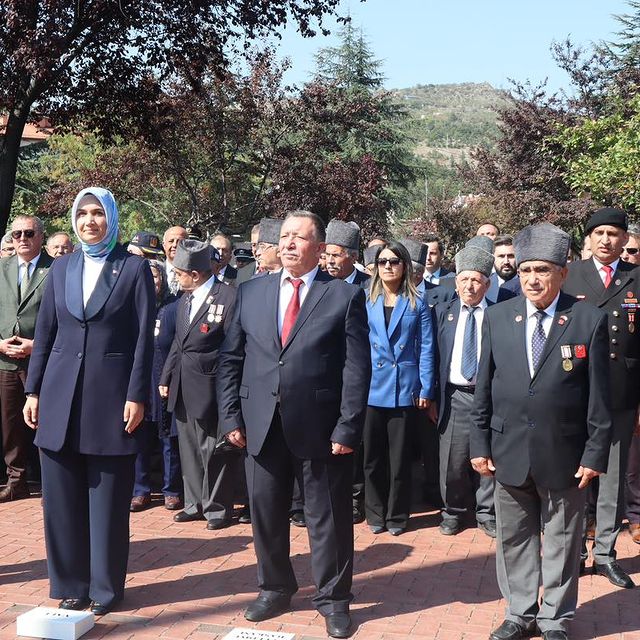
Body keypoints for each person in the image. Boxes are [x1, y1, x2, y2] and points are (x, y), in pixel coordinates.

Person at [216, 210, 370, 639]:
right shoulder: (249, 293)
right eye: (283, 237)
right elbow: (231, 360)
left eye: (299, 238)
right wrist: (230, 416)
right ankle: (274, 588)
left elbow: (357, 369)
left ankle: (334, 599)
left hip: (321, 428)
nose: (288, 244)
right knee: (265, 514)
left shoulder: (342, 296)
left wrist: (347, 427)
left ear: (319, 249)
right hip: (259, 424)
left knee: (329, 519)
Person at [470, 222, 611, 640]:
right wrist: (479, 443)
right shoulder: (497, 317)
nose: (532, 278)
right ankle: (519, 612)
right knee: (513, 538)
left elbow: (598, 399)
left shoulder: (588, 318)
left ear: (562, 272)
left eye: (543, 270)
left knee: (564, 542)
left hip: (565, 453)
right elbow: (484, 388)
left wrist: (594, 453)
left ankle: (555, 618)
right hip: (508, 448)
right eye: (527, 269)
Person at [23, 187, 155, 615]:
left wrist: (137, 394)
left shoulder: (133, 268)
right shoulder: (61, 268)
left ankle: (104, 589)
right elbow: (45, 335)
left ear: (112, 218)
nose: (90, 221)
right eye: (83, 214)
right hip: (59, 397)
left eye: (98, 213)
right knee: (60, 500)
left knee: (108, 502)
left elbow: (142, 341)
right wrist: (34, 390)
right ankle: (70, 584)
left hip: (111, 399)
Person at [562, 206, 640, 589]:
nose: (607, 240)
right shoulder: (569, 276)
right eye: (600, 233)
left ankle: (606, 554)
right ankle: (575, 549)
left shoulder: (636, 279)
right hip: (577, 393)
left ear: (625, 240)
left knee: (611, 480)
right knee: (575, 476)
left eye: (614, 234)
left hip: (622, 396)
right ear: (588, 239)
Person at [159, 241, 237, 529]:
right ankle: (194, 503)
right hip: (182, 384)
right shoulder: (184, 299)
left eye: (180, 273)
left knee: (212, 449)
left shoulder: (227, 297)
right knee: (189, 448)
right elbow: (178, 344)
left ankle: (217, 508)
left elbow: (233, 346)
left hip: (210, 384)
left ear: (195, 273)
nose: (177, 278)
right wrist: (166, 376)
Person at [364, 241, 435, 536]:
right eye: (382, 262)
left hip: (404, 388)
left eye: (394, 261)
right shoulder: (364, 299)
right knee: (372, 458)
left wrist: (426, 388)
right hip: (371, 387)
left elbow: (427, 348)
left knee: (399, 460)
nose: (388, 266)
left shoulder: (417, 301)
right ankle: (375, 513)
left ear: (405, 265)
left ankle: (397, 516)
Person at [432, 246, 496, 537]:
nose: (469, 286)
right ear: (455, 282)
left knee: (488, 458)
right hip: (455, 394)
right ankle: (453, 512)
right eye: (464, 279)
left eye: (476, 280)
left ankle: (487, 513)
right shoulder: (443, 313)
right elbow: (432, 357)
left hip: (490, 397)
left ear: (487, 284)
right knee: (453, 460)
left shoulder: (499, 314)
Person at [0, 215, 54, 501]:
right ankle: (16, 482)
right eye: (16, 234)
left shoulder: (56, 269)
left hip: (41, 360)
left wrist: (38, 346)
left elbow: (63, 319)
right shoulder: (1, 267)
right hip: (6, 360)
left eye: (28, 233)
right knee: (10, 425)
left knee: (45, 420)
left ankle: (52, 482)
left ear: (40, 237)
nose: (21, 238)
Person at [130, 259, 182, 512]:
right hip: (140, 382)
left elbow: (179, 346)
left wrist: (170, 377)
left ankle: (171, 490)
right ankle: (140, 490)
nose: (152, 283)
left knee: (168, 440)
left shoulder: (173, 307)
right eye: (146, 278)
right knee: (139, 438)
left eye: (156, 277)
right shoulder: (131, 307)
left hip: (165, 382)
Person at [324, 220, 370, 286]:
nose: (330, 261)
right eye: (327, 255)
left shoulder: (370, 287)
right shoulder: (317, 282)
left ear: (353, 256)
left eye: (335, 255)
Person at [162, 226, 188, 295]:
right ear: (164, 245)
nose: (175, 245)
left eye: (180, 241)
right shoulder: (156, 271)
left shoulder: (193, 274)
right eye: (171, 241)